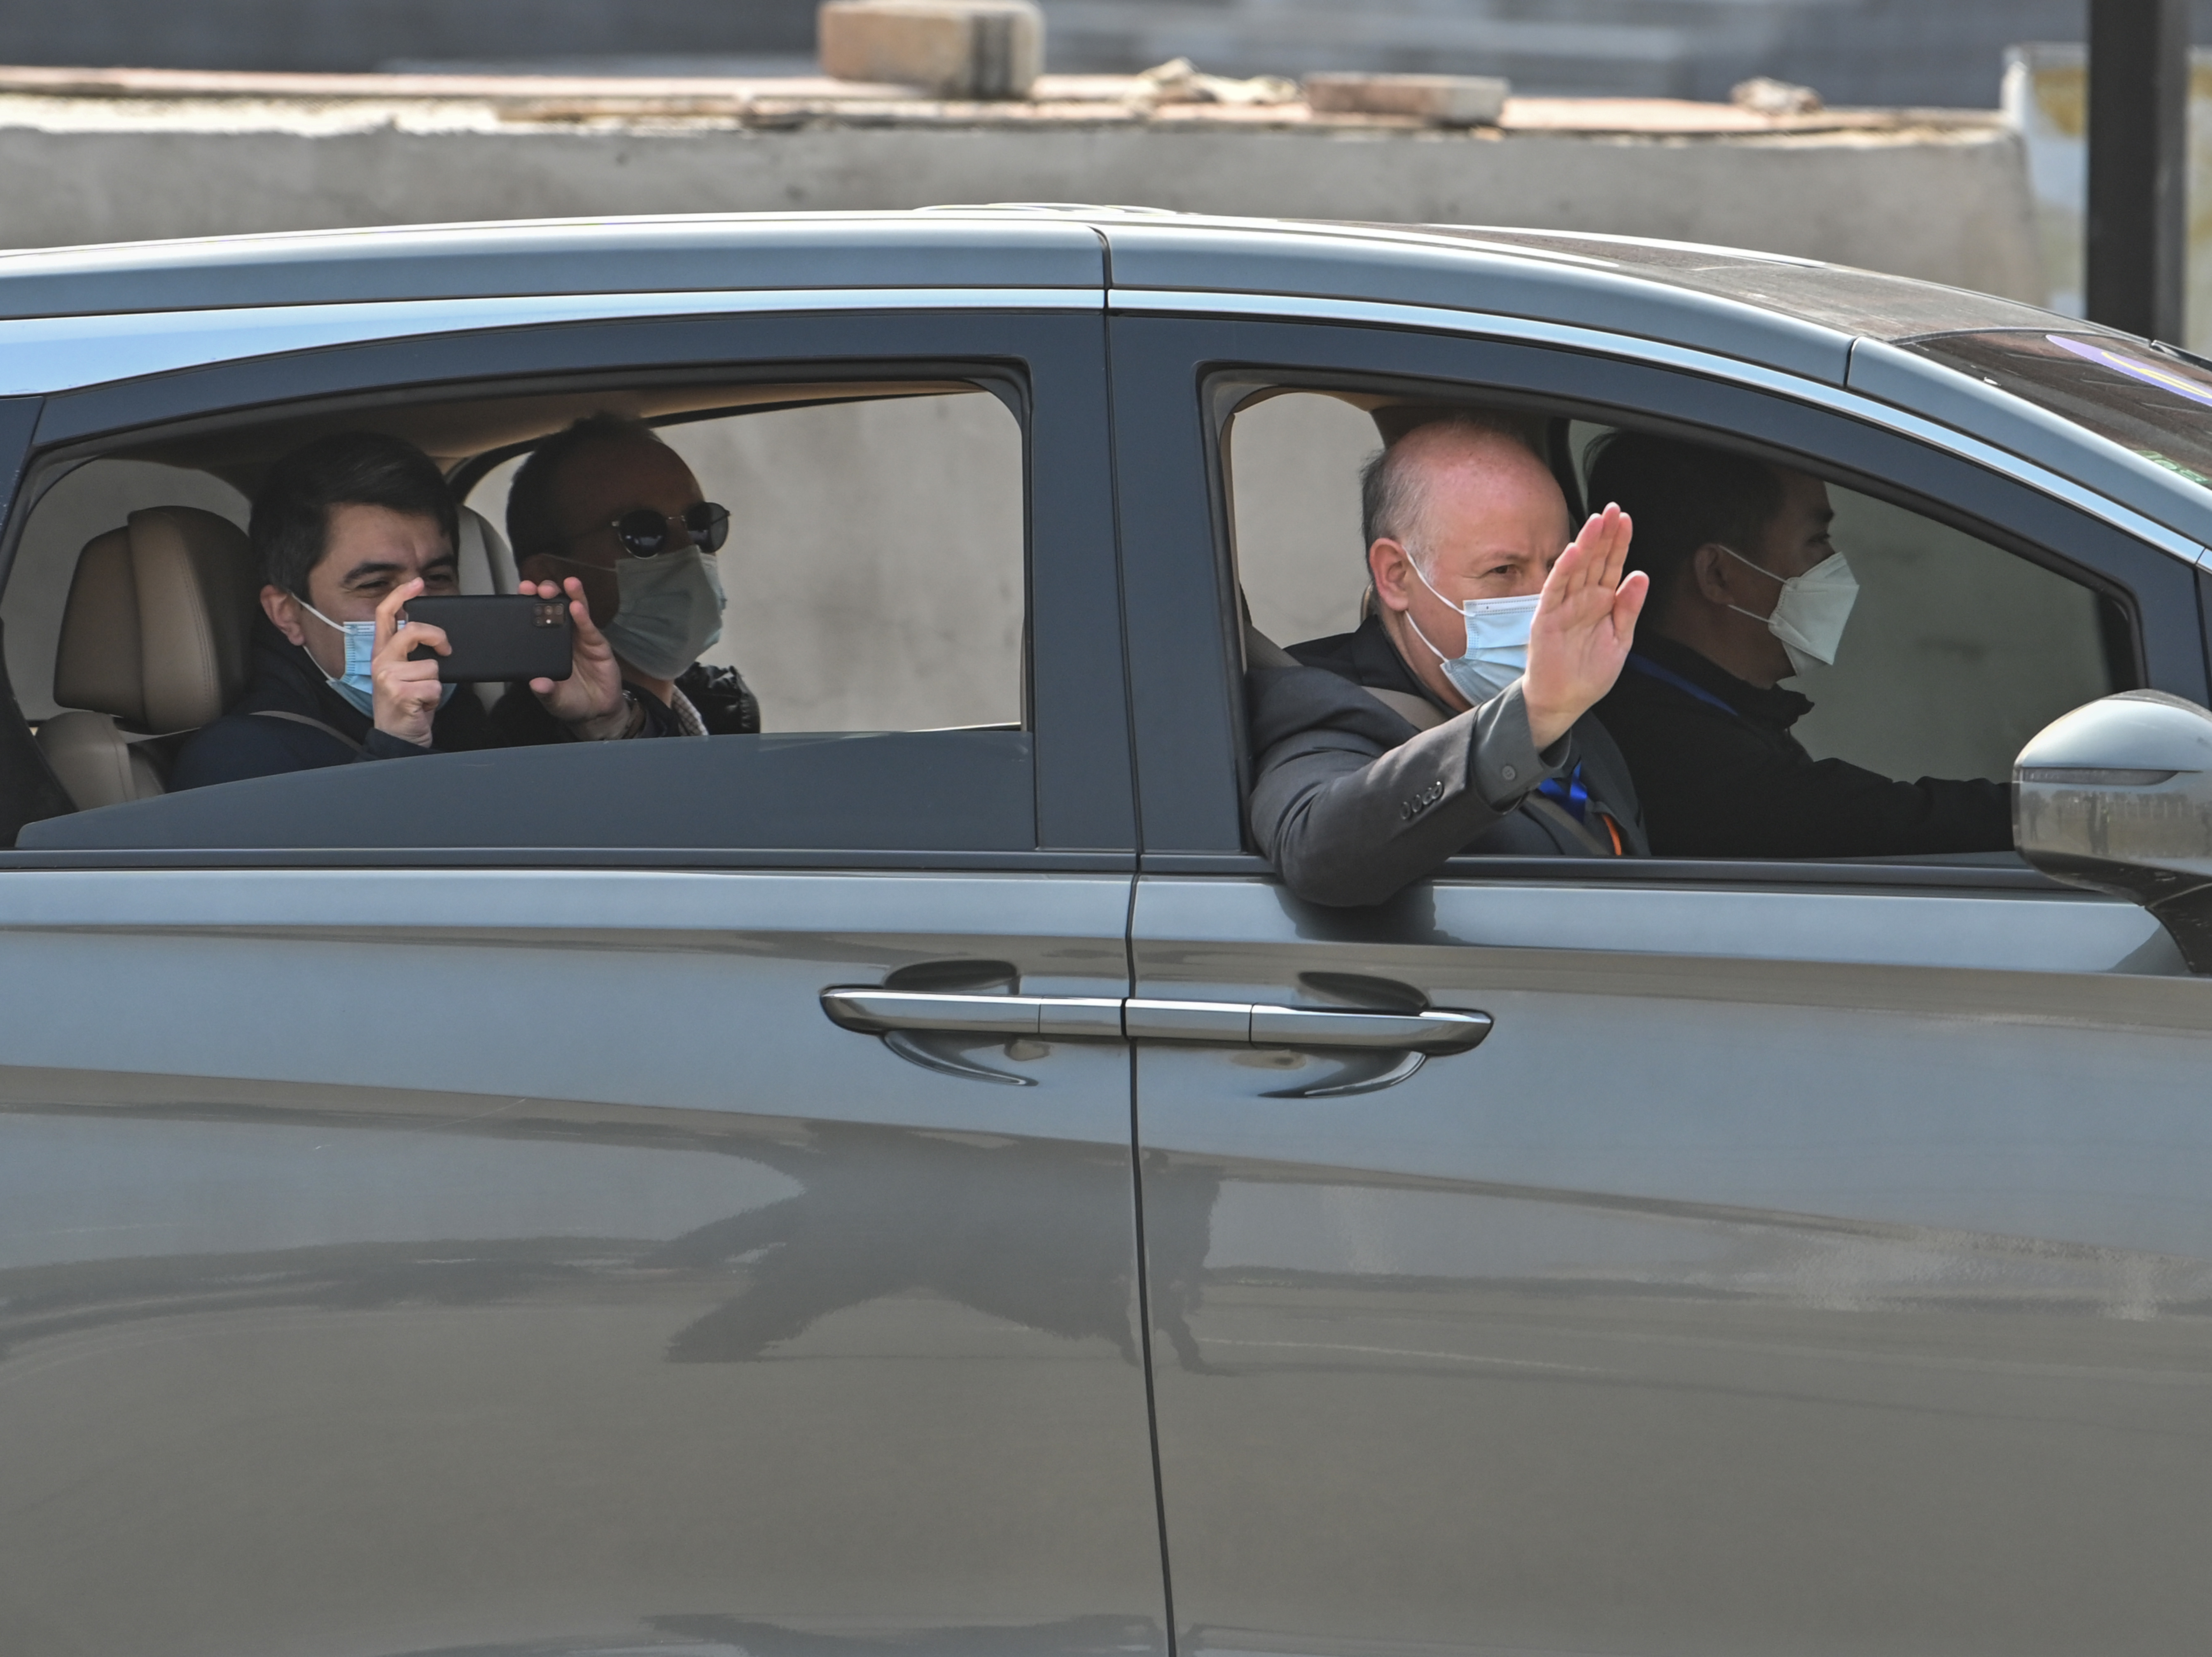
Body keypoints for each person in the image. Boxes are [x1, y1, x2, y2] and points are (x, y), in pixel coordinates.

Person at [1247, 414, 1649, 908]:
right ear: (1396, 576)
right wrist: (1530, 718)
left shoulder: (1575, 700)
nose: (1543, 600)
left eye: (1555, 566)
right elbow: (1317, 852)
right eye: (1503, 570)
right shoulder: (1321, 706)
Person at [1586, 431, 2011, 858]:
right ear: (1717, 575)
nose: (1833, 564)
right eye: (1816, 540)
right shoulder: (1687, 760)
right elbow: (1885, 822)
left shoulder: (1697, 712)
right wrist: (2056, 812)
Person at [173, 431, 635, 789]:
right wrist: (398, 749)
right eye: (375, 585)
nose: (417, 611)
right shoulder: (239, 761)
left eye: (437, 578)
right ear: (287, 614)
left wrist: (604, 725)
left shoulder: (488, 721)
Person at [498, 413, 759, 741]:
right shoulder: (517, 754)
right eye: (643, 533)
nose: (689, 549)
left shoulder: (725, 712)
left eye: (700, 523)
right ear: (549, 578)